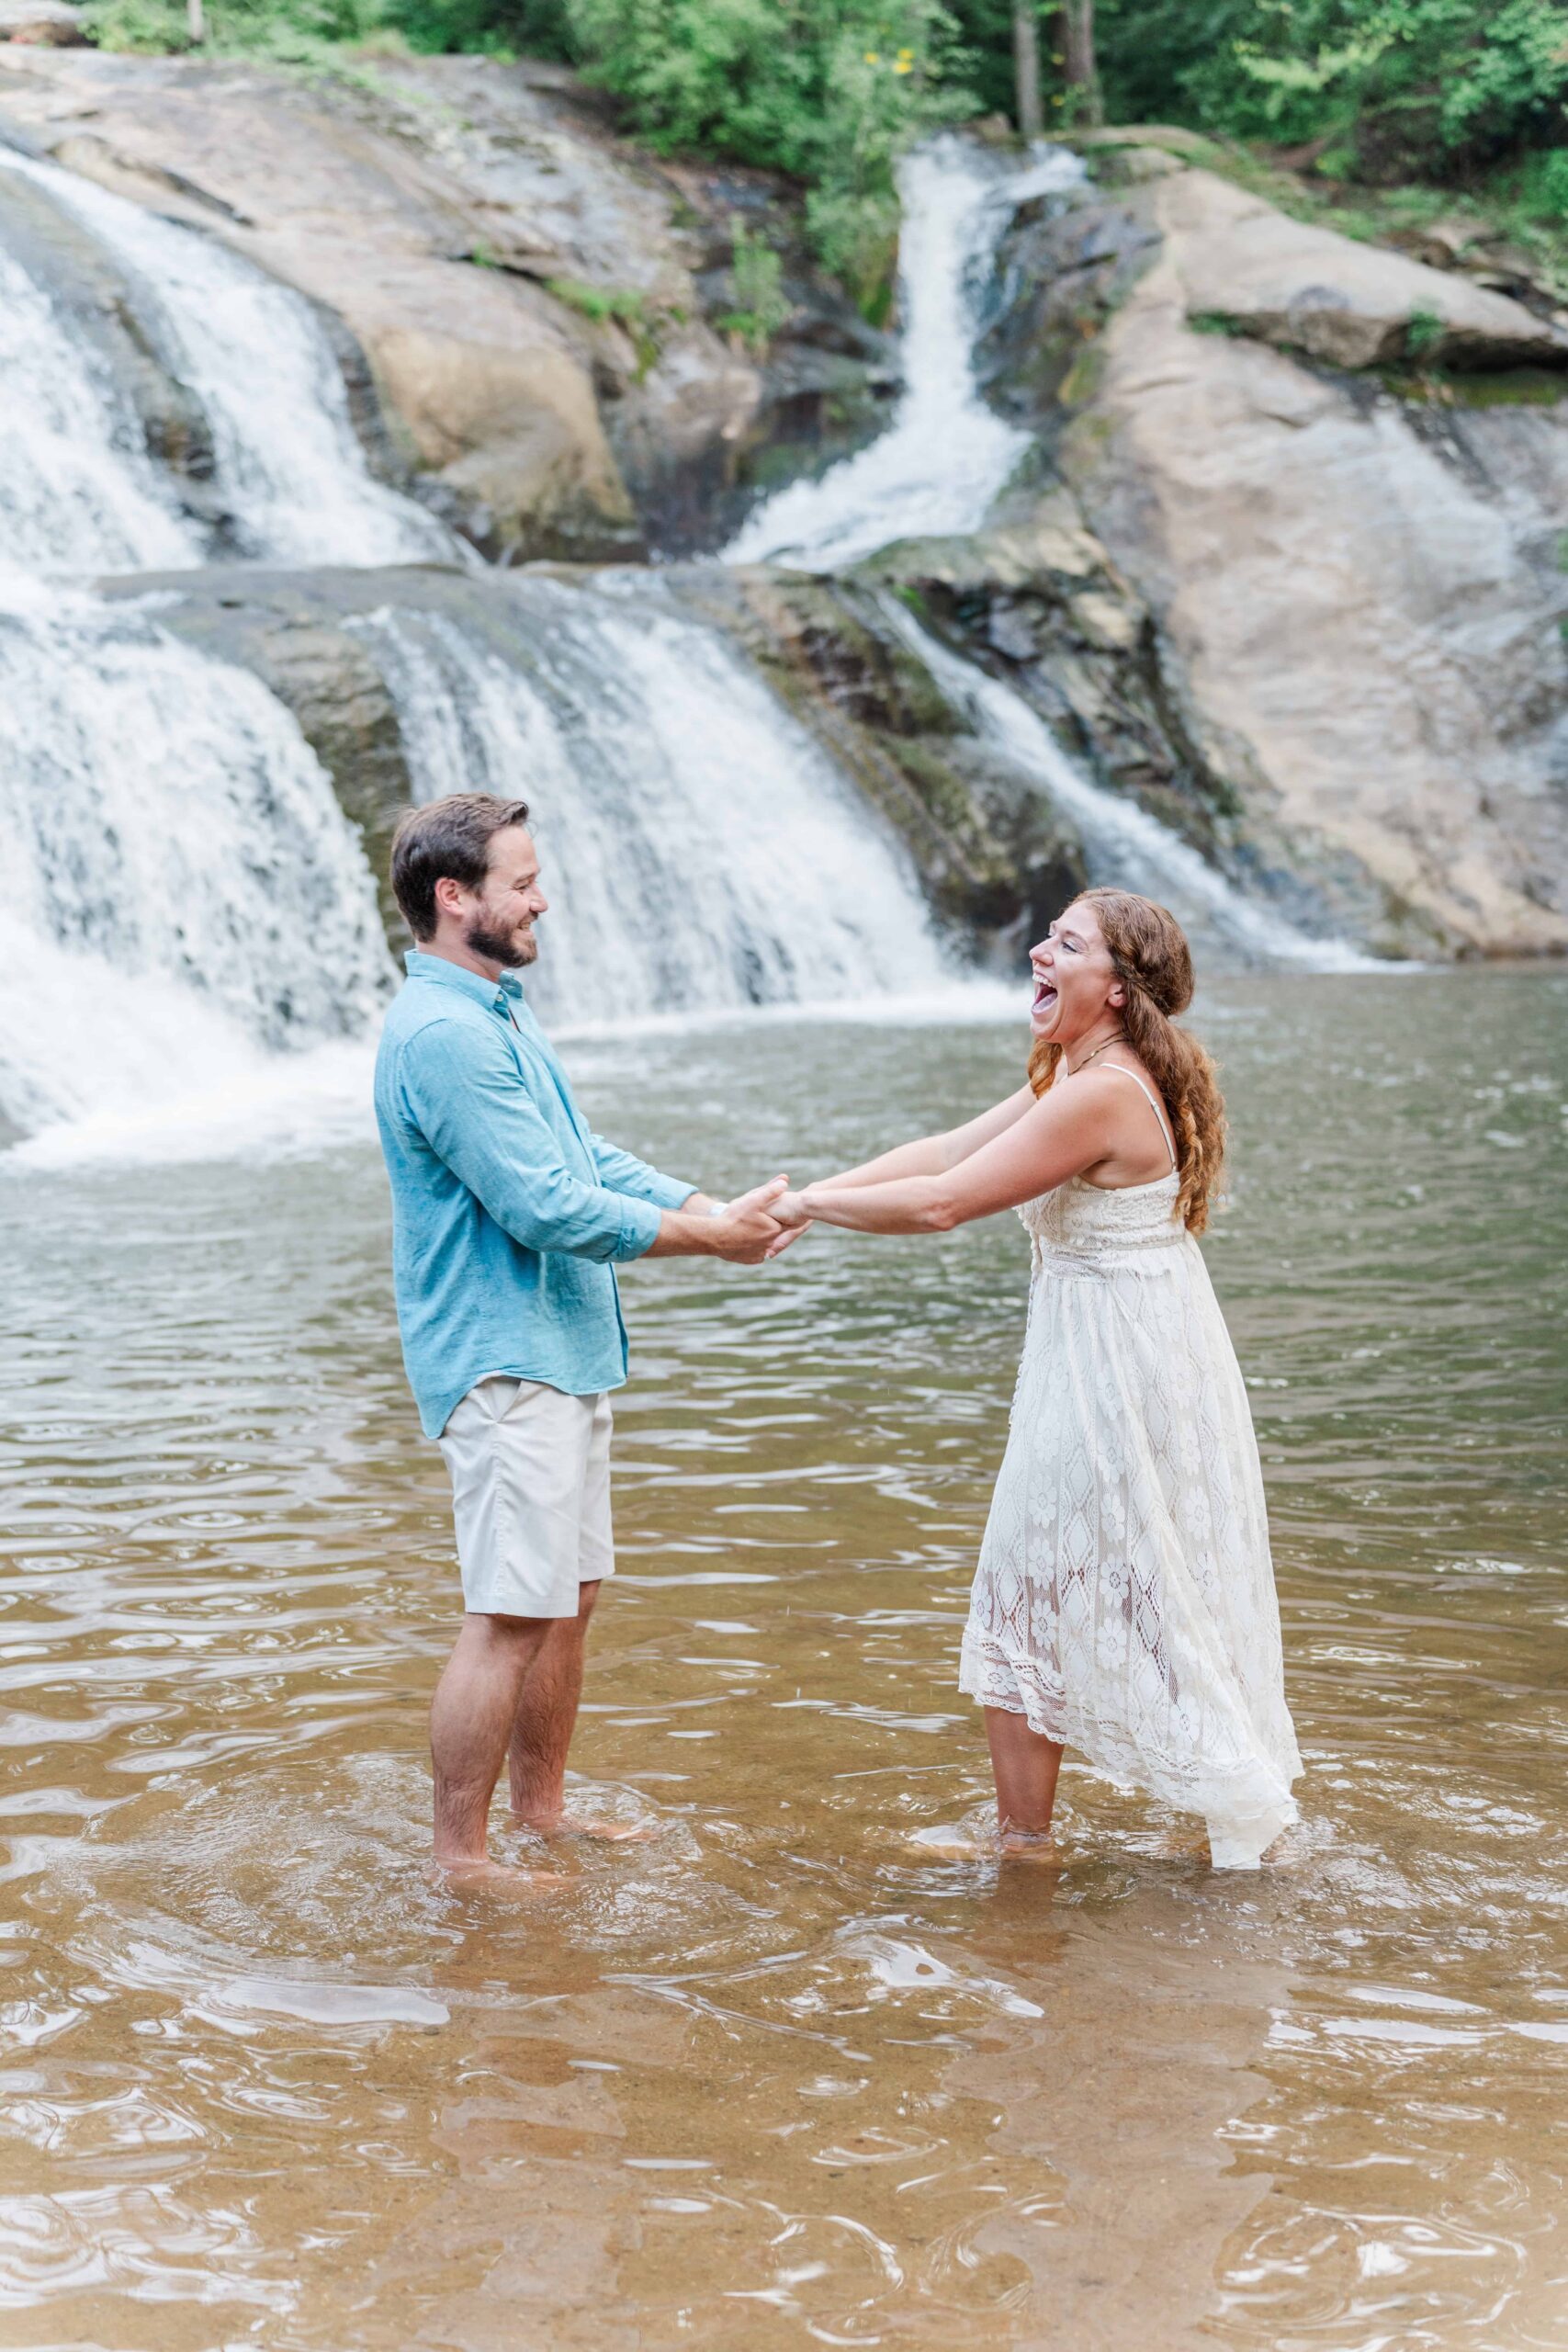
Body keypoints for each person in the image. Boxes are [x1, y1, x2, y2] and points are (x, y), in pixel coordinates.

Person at [770, 888, 1303, 1870]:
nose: (1038, 953)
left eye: (1067, 944)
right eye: (1048, 937)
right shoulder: (1083, 1065)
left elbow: (942, 1203)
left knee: (1035, 1584)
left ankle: (1035, 1846)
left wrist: (808, 1206)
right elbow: (945, 1151)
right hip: (1117, 1352)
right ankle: (1173, 1817)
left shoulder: (1102, 1089)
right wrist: (813, 1198)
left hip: (1124, 1367)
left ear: (1115, 986)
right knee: (1106, 1587)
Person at [374, 792, 791, 1881]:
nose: (540, 898)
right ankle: (456, 1858)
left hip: (557, 1345)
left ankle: (540, 1819)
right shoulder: (445, 1036)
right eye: (521, 882)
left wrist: (710, 1201)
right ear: (455, 897)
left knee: (567, 1599)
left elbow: (583, 1154)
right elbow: (543, 1206)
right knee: (511, 1612)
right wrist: (708, 1240)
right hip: (502, 1358)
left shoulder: (495, 1008)